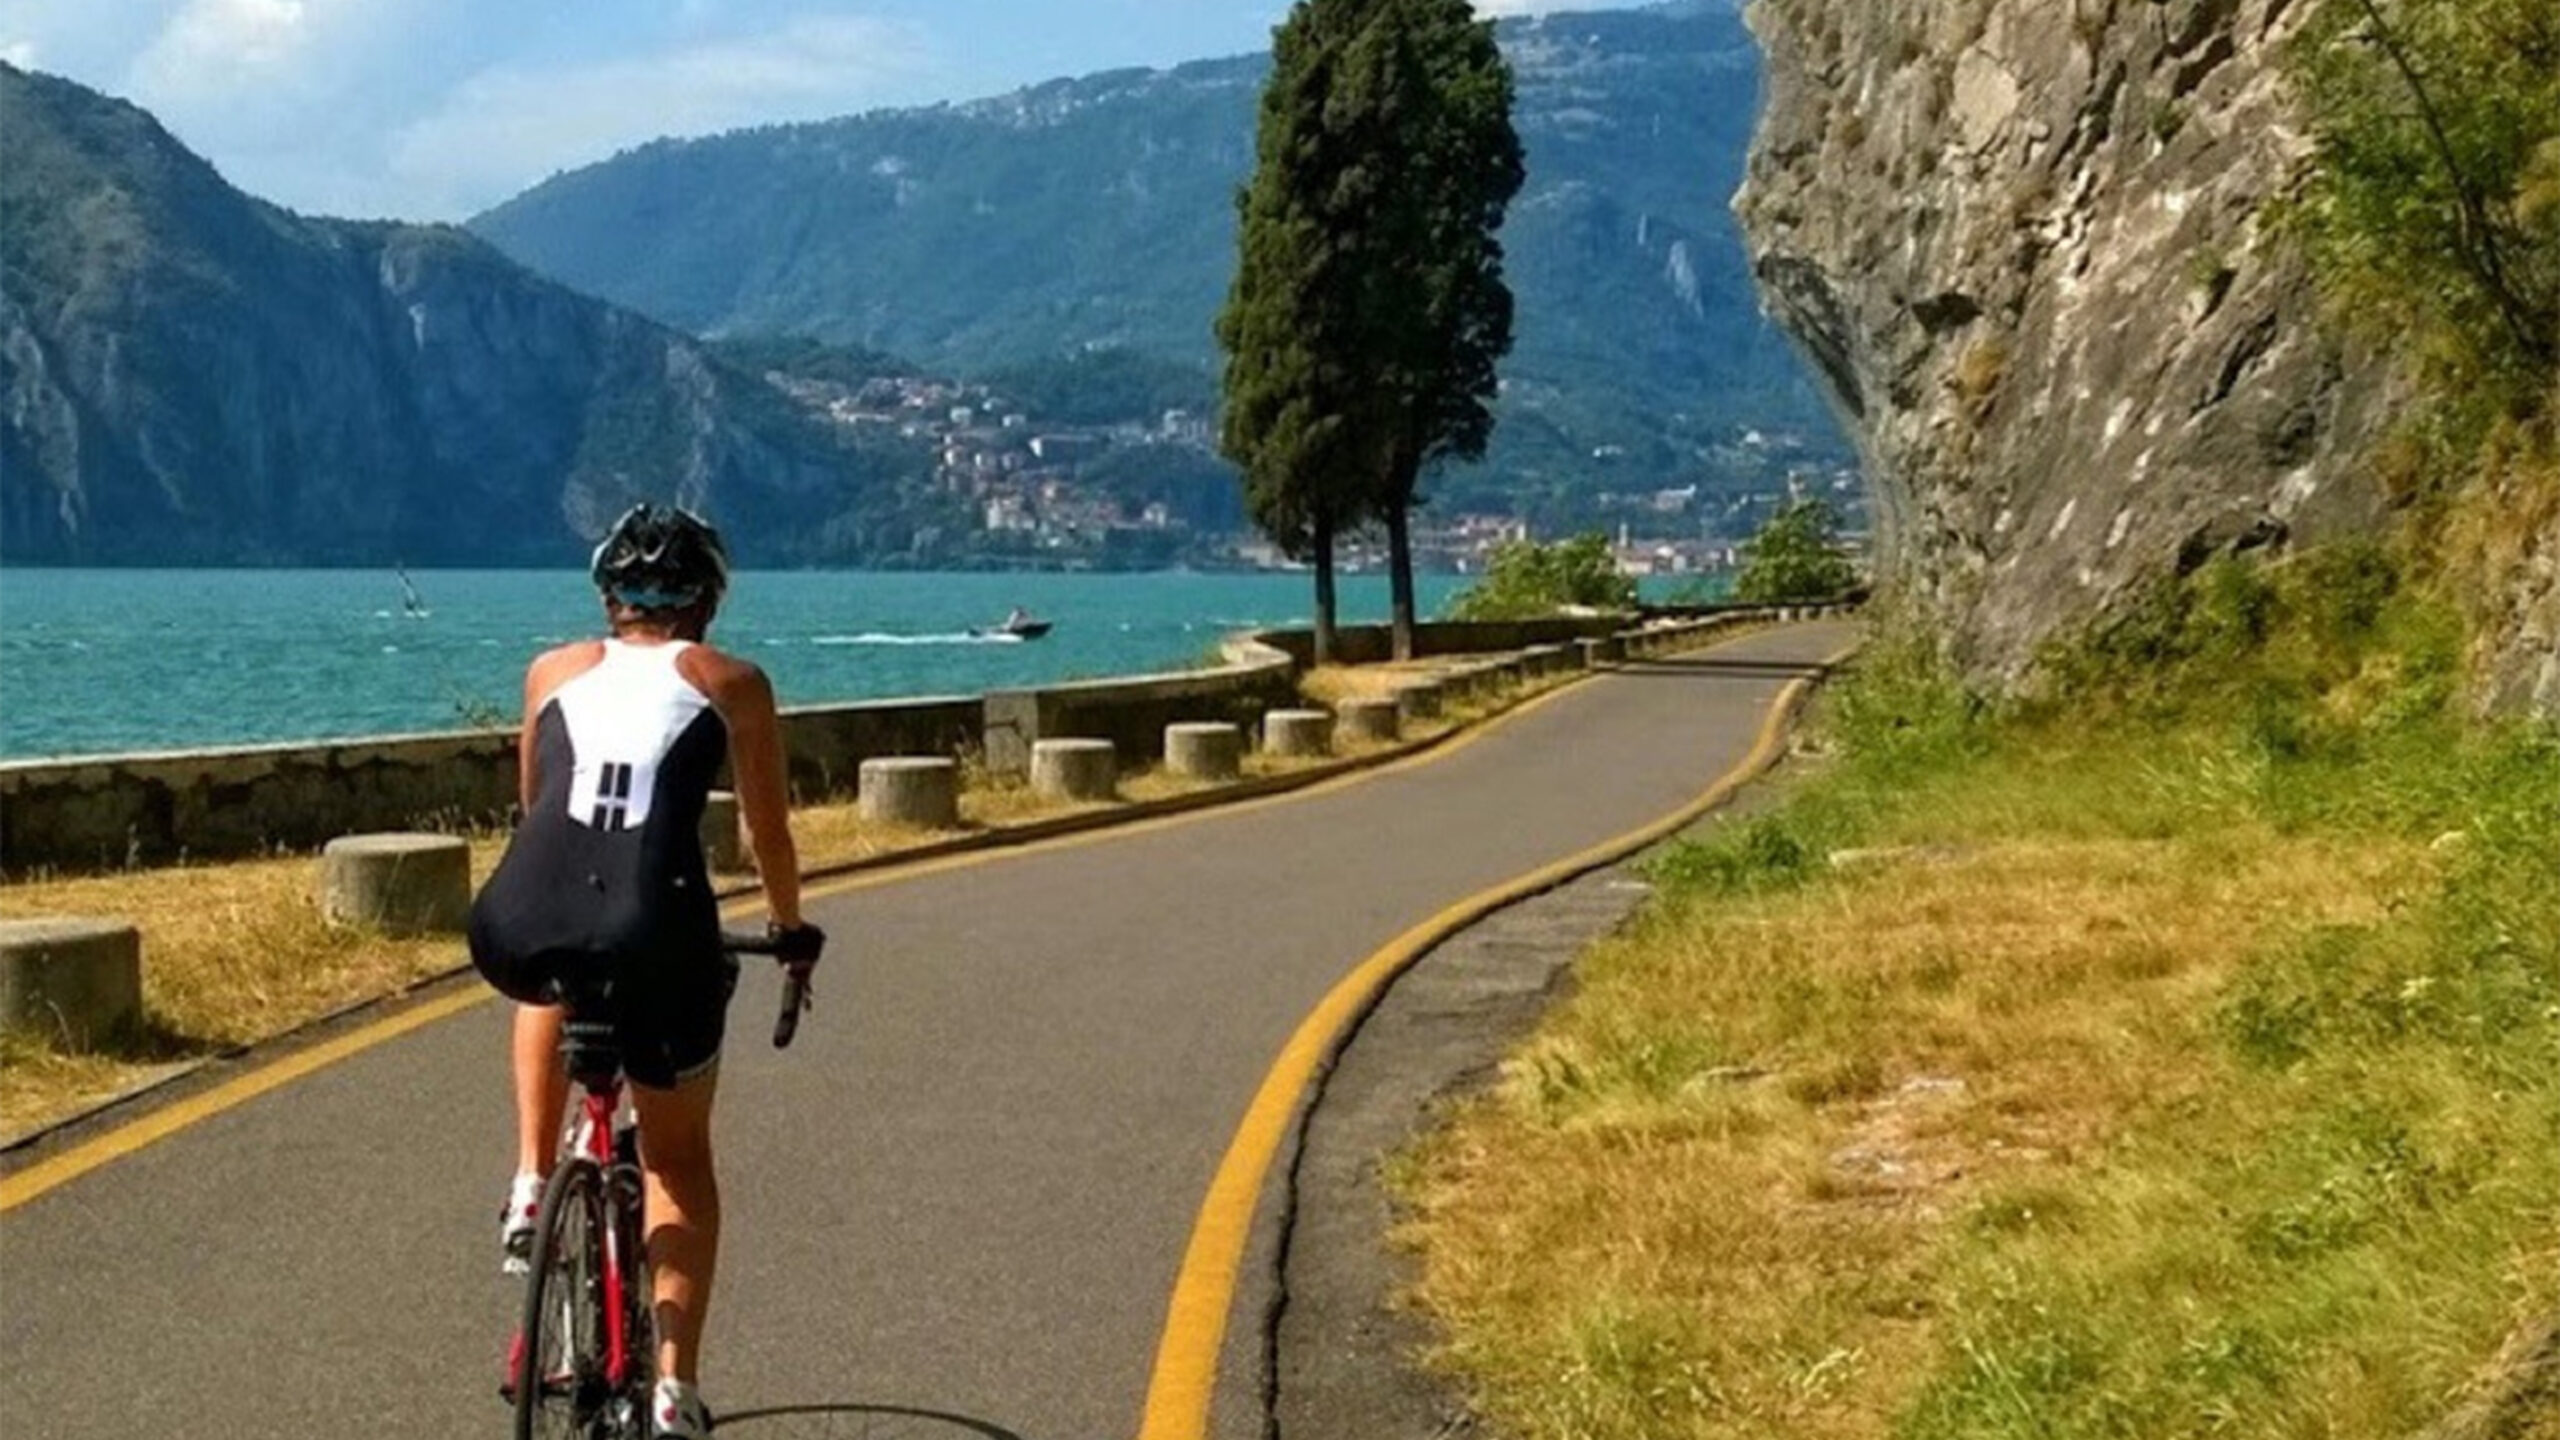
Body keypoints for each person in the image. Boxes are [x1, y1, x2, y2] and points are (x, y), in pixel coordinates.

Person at [468, 502, 823, 1440]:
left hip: (518, 914)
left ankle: (532, 1176)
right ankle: (674, 1386)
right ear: (706, 600)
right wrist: (789, 930)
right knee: (676, 1159)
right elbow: (767, 833)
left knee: (553, 968)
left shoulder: (550, 672)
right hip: (658, 926)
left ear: (608, 597)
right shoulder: (733, 682)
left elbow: (539, 808)